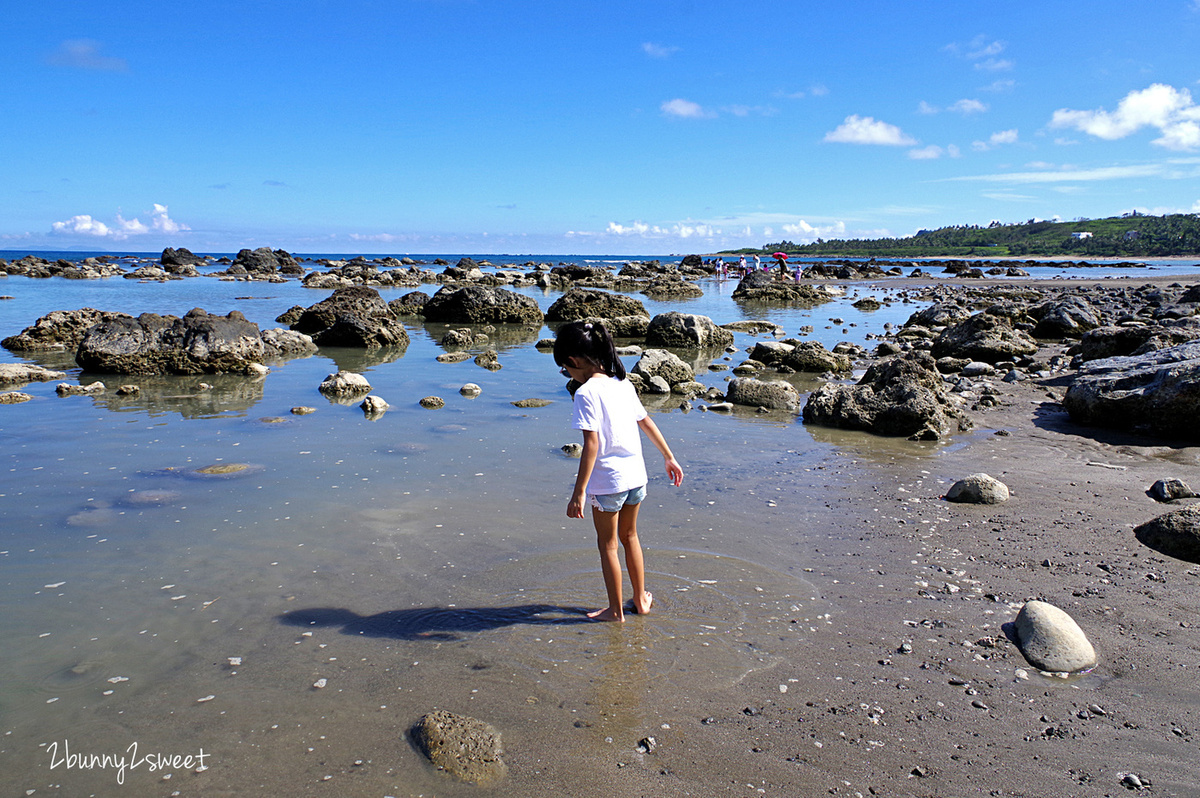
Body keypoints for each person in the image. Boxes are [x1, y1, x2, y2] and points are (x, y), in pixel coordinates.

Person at [553, 321, 684, 622]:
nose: (567, 375)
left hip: (609, 482)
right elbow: (646, 422)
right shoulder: (623, 384)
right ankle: (640, 599)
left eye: (564, 369)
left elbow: (591, 445)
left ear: (573, 362)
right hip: (636, 477)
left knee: (608, 545)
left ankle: (614, 611)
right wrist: (669, 457)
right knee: (631, 536)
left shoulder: (586, 394)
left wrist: (579, 493)